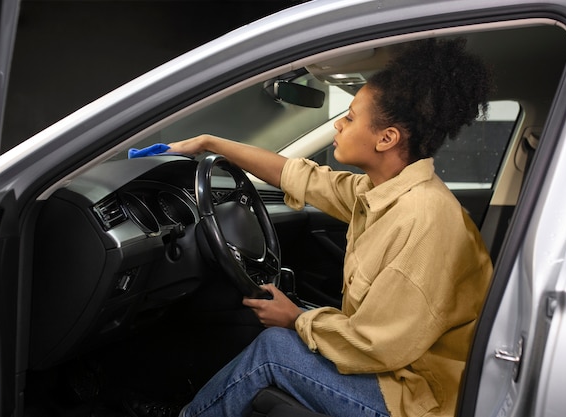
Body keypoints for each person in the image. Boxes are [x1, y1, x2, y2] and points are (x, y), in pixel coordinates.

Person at [166, 38, 493, 417]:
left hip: (417, 397)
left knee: (273, 350)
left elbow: (376, 346)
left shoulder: (425, 221)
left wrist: (297, 319)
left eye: (351, 117)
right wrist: (210, 142)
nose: (339, 123)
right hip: (398, 369)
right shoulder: (383, 192)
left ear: (386, 139)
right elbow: (296, 175)